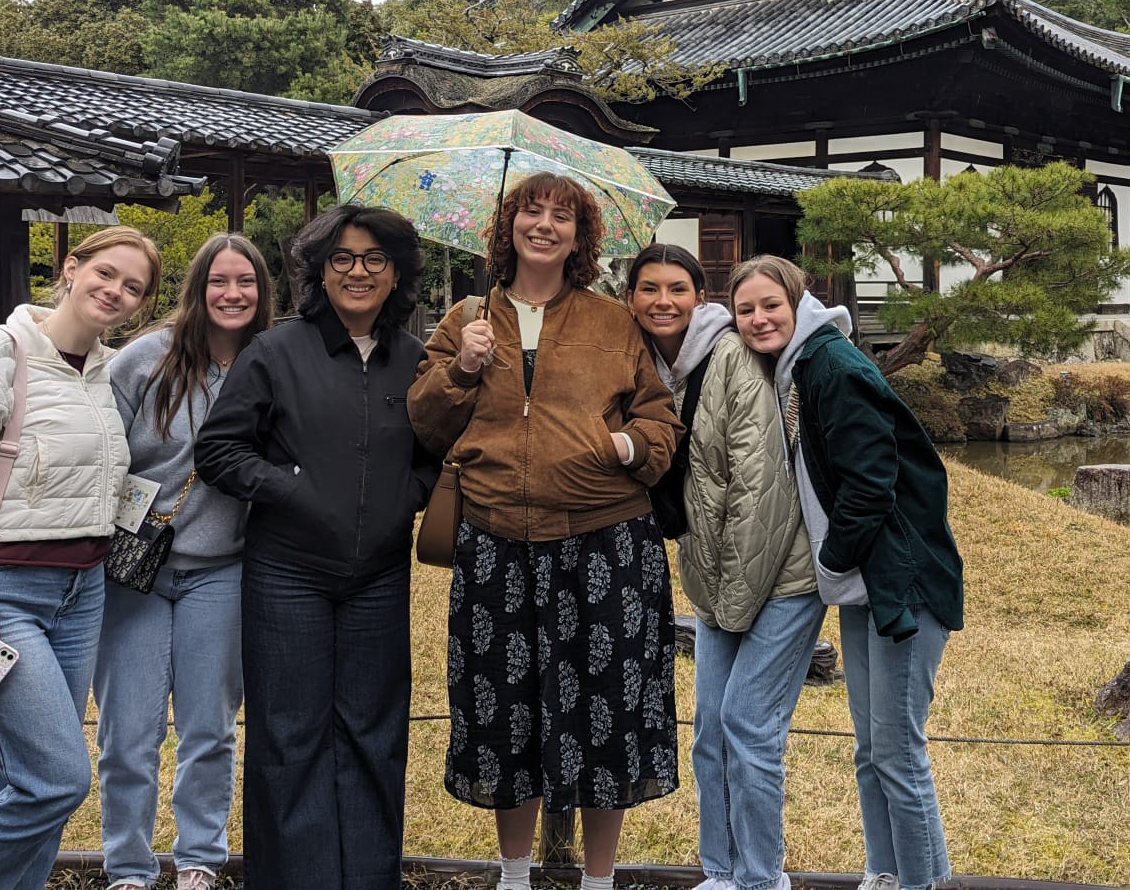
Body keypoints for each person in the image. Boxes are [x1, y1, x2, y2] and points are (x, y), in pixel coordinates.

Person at [409, 173, 682, 890]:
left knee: (606, 710)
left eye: (563, 216)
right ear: (509, 224)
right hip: (495, 539)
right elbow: (426, 424)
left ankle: (598, 879)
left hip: (606, 541)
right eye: (531, 210)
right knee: (505, 710)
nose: (544, 225)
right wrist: (462, 368)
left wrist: (625, 445)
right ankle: (513, 873)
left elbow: (659, 419)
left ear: (579, 237)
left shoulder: (612, 321)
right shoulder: (465, 317)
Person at [194, 204, 436, 890]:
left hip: (378, 574)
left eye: (374, 259)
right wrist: (292, 488)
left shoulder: (416, 361)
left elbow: (436, 453)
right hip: (287, 572)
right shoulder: (276, 351)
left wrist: (406, 497)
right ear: (320, 272)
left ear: (396, 274)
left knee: (375, 734)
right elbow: (219, 450)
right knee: (288, 734)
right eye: (343, 259)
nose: (359, 272)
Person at [0, 225, 162, 890]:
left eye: (133, 287)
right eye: (105, 273)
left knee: (30, 783)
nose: (115, 291)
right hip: (2, 595)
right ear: (71, 268)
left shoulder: (105, 372)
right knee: (55, 780)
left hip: (81, 594)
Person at [726, 255, 965, 890]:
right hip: (867, 583)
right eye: (745, 309)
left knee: (898, 753)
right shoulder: (799, 365)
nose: (758, 318)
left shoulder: (832, 366)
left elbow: (871, 482)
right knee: (871, 750)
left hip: (902, 579)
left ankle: (917, 883)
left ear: (797, 301)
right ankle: (883, 874)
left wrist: (830, 559)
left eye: (770, 304)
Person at [627, 244, 821, 890]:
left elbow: (760, 490)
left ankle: (761, 879)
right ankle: (720, 871)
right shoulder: (653, 367)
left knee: (748, 728)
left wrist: (730, 606)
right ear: (629, 298)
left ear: (700, 298)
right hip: (717, 580)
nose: (663, 302)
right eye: (648, 288)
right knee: (709, 733)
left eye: (677, 289)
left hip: (781, 575)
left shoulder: (729, 354)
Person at [95, 233, 273, 890]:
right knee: (128, 732)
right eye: (218, 281)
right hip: (135, 569)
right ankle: (128, 865)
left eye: (245, 281)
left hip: (223, 568)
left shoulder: (273, 362)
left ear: (262, 291)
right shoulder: (146, 359)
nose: (232, 293)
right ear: (198, 288)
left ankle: (199, 858)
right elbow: (100, 450)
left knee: (209, 728)